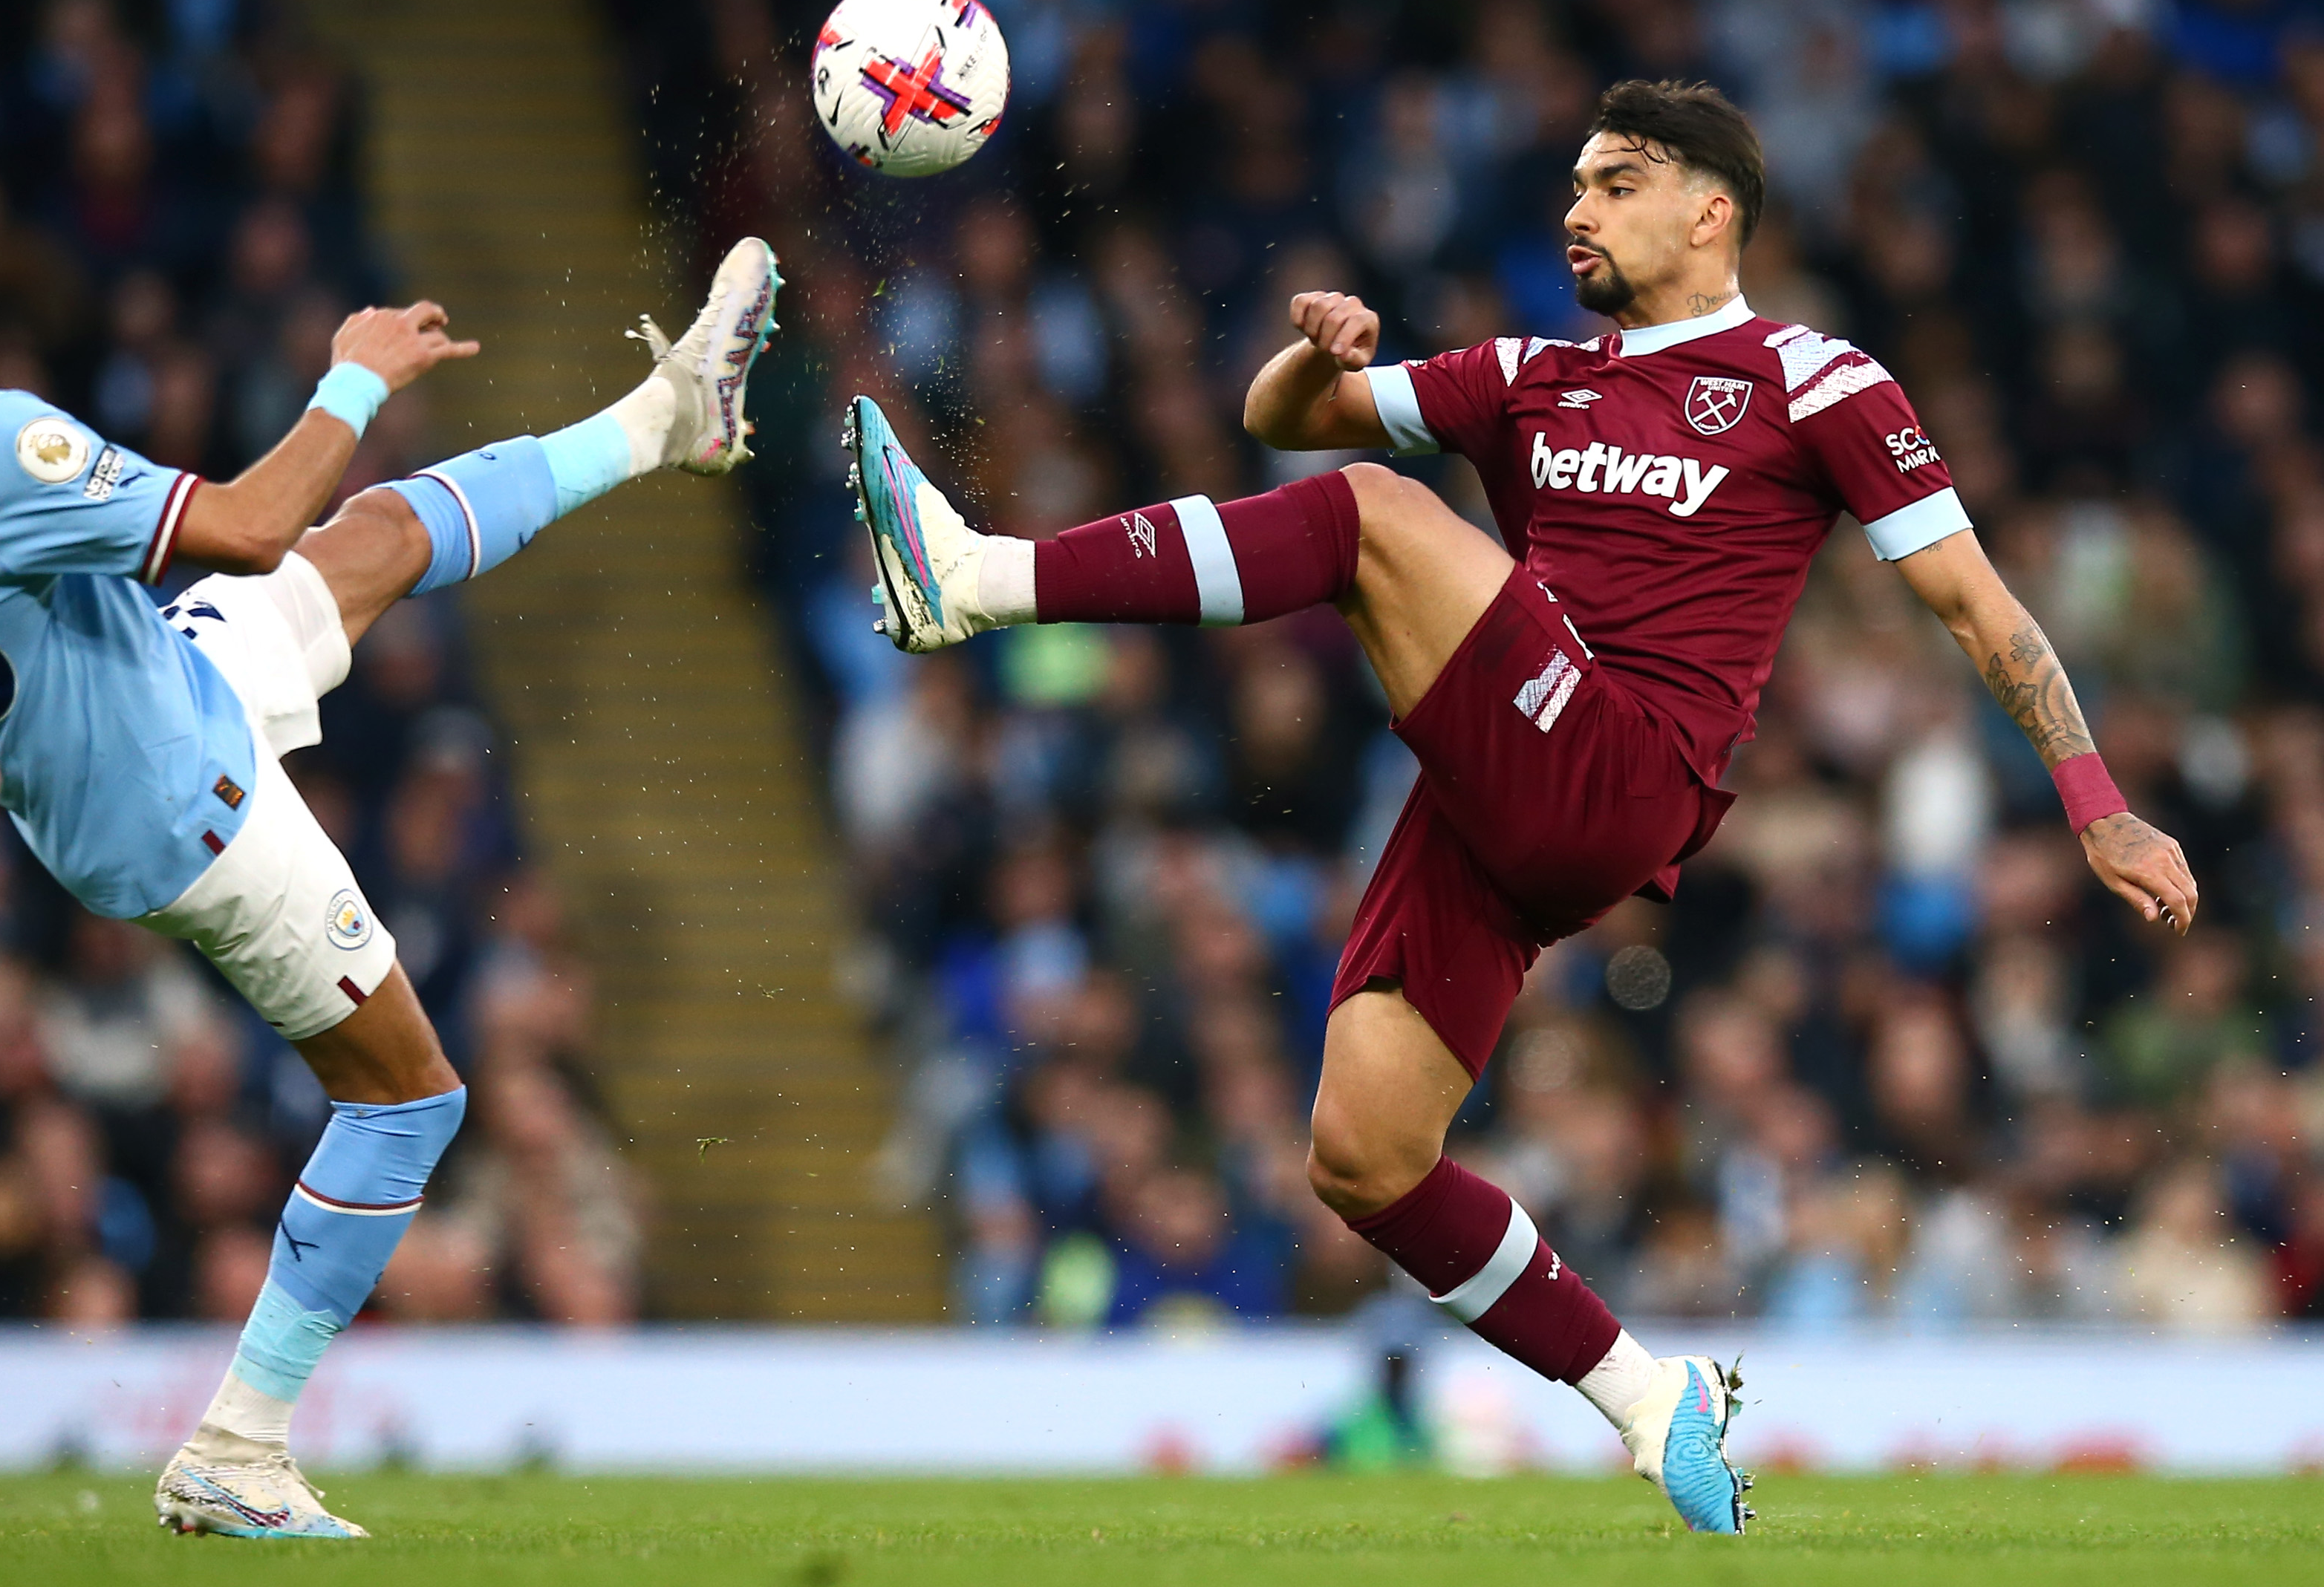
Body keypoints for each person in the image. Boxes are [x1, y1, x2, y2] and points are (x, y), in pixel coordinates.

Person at [848, 79, 2194, 1536]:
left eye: (1613, 182)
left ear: (1708, 208)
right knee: (1362, 1158)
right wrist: (1324, 361)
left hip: (1627, 765)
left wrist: (2095, 804)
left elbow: (1977, 610)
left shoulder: (1817, 380)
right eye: (1571, 184)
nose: (1576, 209)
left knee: (1375, 517)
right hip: (1497, 797)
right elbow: (1278, 420)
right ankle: (1641, 1395)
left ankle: (976, 577)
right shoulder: (1527, 377)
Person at [0, 163, 778, 1539]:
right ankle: (237, 1449)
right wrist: (352, 379)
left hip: (133, 710)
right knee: (408, 1103)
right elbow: (246, 522)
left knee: (369, 543)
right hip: (178, 799)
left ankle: (665, 421)